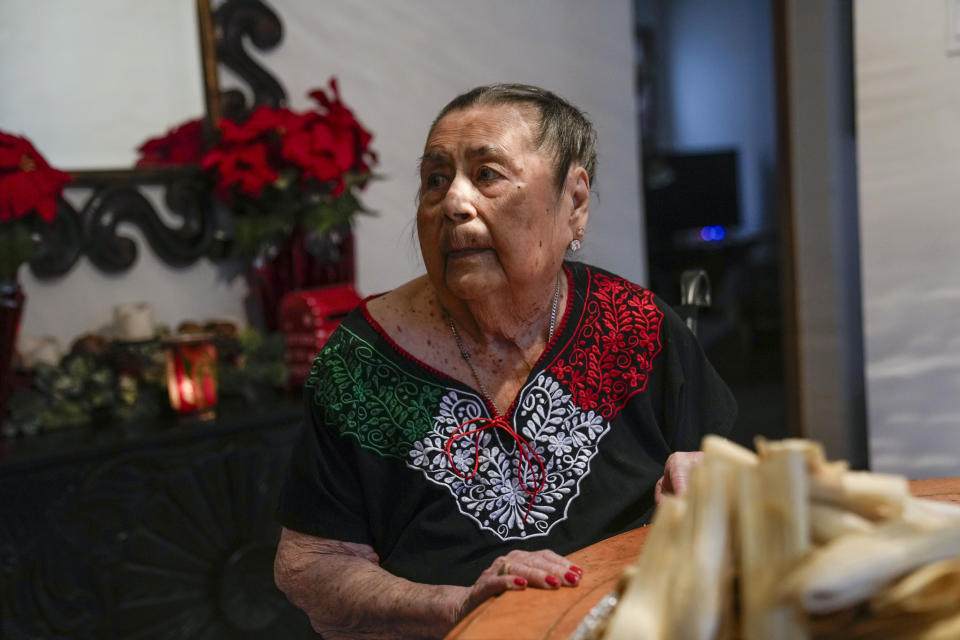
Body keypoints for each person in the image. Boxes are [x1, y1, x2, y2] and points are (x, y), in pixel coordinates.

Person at [273, 83, 737, 639]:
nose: (454, 203)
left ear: (575, 203)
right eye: (435, 180)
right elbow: (310, 567)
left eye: (487, 175)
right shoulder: (360, 362)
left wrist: (717, 482)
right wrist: (459, 604)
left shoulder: (634, 324)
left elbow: (724, 478)